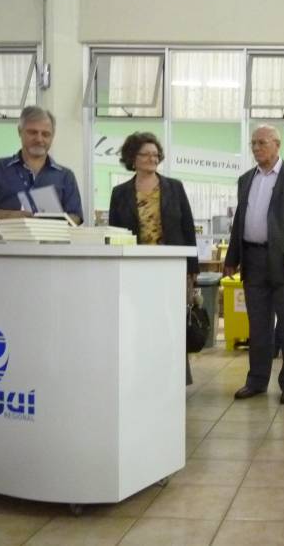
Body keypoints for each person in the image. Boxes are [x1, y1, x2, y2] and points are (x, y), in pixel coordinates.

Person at [224, 124, 284, 405]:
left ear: (277, 145)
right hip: (252, 260)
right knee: (258, 326)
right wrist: (232, 258)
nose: (256, 148)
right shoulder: (245, 179)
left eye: (262, 143)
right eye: (253, 143)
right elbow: (239, 221)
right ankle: (256, 380)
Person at [108, 132, 199, 384]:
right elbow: (114, 233)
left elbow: (188, 228)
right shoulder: (120, 193)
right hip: (135, 269)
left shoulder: (174, 187)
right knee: (140, 323)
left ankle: (176, 378)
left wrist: (192, 269)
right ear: (132, 158)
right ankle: (143, 374)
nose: (152, 159)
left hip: (171, 267)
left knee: (172, 322)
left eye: (155, 155)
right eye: (146, 154)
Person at [0, 106, 83, 226]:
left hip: (50, 238)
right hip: (4, 238)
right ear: (20, 132)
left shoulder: (65, 176)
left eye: (45, 134)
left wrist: (51, 225)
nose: (39, 139)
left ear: (52, 137)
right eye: (32, 132)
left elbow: (76, 217)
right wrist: (10, 216)